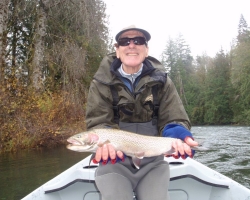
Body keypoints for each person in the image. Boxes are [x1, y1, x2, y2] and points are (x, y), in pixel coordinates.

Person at [85, 25, 198, 200]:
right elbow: (98, 122)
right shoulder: (101, 83)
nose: (131, 45)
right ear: (117, 50)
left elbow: (174, 117)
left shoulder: (163, 82)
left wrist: (178, 134)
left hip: (153, 162)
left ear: (146, 50)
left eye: (138, 41)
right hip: (114, 162)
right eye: (124, 41)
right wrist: (104, 145)